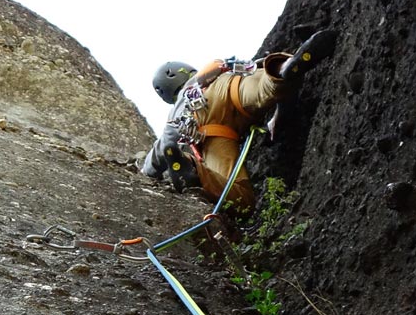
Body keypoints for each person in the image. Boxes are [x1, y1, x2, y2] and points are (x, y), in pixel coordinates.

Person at [141, 30, 337, 213]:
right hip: (232, 84)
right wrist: (279, 116)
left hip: (210, 125)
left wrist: (147, 170)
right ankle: (285, 66)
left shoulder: (182, 100)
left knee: (238, 196)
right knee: (268, 85)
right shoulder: (217, 71)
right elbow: (256, 69)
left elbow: (165, 144)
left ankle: (191, 167)